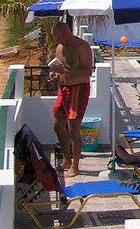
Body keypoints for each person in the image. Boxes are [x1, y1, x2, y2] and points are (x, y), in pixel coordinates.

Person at [49, 21, 93, 177]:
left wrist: (66, 71)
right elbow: (61, 69)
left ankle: (75, 166)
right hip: (63, 88)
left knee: (73, 127)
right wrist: (55, 74)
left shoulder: (82, 47)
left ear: (67, 32)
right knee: (57, 125)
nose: (58, 41)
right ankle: (66, 160)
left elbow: (87, 71)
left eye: (60, 37)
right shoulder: (59, 48)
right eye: (56, 38)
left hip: (78, 88)